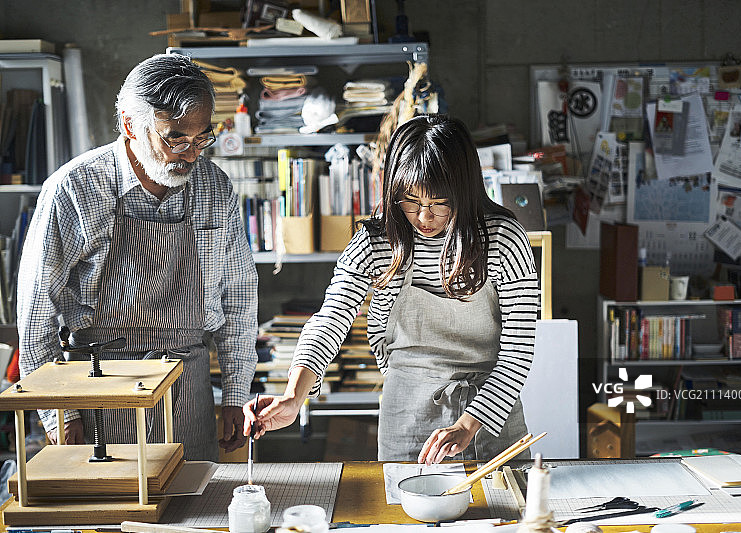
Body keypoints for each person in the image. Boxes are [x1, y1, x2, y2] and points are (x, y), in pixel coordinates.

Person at [243, 114, 539, 464]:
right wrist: (294, 396)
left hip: (492, 411)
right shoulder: (377, 241)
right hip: (407, 411)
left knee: (501, 517)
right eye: (410, 201)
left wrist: (467, 425)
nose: (423, 217)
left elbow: (518, 353)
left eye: (439, 203)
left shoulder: (503, 239)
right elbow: (330, 319)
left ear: (465, 189)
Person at [16, 53, 258, 461]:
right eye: (175, 138)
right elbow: (36, 314)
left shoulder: (214, 188)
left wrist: (235, 392)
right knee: (110, 516)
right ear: (131, 124)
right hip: (99, 387)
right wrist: (61, 413)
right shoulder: (74, 190)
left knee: (193, 516)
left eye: (202, 138)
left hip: (188, 385)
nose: (191, 154)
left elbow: (239, 297)